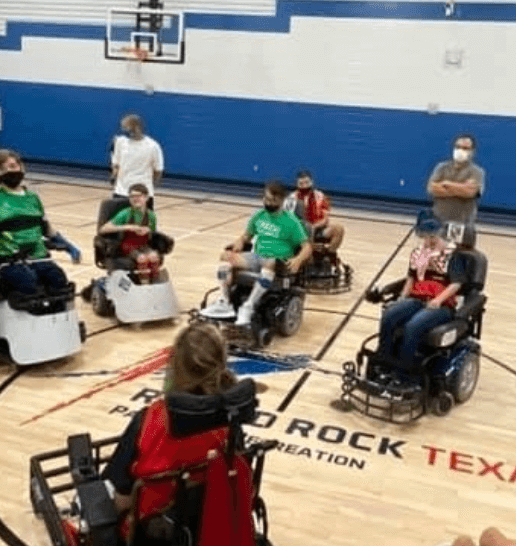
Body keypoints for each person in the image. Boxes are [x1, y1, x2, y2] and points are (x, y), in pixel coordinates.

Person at [104, 324, 239, 514]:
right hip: (207, 519)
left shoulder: (149, 419)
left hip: (149, 528)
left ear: (175, 366)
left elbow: (123, 498)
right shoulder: (231, 418)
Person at [201, 180, 312, 326]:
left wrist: (298, 259)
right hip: (256, 257)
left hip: (278, 261)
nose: (269, 203)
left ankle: (249, 306)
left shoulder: (291, 221)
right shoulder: (259, 215)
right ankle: (225, 302)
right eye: (266, 199)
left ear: (281, 200)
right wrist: (240, 241)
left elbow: (307, 247)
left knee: (270, 261)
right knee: (225, 257)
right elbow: (246, 236)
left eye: (273, 200)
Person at [0, 149, 73, 300]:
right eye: (6, 168)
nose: (12, 170)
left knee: (58, 279)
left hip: (37, 256)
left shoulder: (33, 198)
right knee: (27, 282)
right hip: (8, 260)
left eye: (14, 165)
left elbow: (45, 226)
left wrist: (67, 244)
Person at [375, 216, 471, 377]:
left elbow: (456, 284)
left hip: (441, 304)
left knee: (413, 326)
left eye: (432, 237)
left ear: (439, 235)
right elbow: (411, 278)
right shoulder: (418, 253)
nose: (428, 241)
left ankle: (404, 374)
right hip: (417, 298)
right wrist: (402, 298)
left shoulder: (452, 255)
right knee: (389, 316)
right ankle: (385, 363)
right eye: (425, 237)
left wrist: (438, 300)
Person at [97, 182, 162, 283]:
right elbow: (103, 229)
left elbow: (152, 233)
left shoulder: (151, 216)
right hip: (128, 245)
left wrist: (148, 231)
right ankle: (144, 283)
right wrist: (128, 227)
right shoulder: (125, 214)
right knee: (142, 258)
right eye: (132, 196)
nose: (135, 199)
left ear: (146, 198)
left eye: (138, 196)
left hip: (143, 245)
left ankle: (154, 281)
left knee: (154, 257)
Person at [426, 134, 486, 228]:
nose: (461, 150)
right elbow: (432, 188)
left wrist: (446, 184)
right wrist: (461, 188)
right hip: (438, 221)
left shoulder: (477, 172)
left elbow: (470, 192)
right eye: (458, 147)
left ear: (472, 151)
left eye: (465, 148)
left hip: (463, 223)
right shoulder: (441, 167)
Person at [286, 170, 345, 256]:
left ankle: (328, 254)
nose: (304, 186)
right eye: (301, 183)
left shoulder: (321, 196)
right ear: (297, 184)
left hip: (318, 229)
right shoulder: (291, 198)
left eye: (307, 182)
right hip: (299, 231)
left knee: (338, 229)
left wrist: (314, 227)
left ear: (311, 182)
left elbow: (325, 219)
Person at [110, 114, 163, 207]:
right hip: (121, 192)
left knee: (142, 221)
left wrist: (148, 185)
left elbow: (158, 170)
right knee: (119, 220)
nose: (123, 130)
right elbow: (116, 164)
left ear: (136, 126)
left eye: (126, 127)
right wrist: (114, 175)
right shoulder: (120, 143)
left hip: (142, 194)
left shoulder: (153, 146)